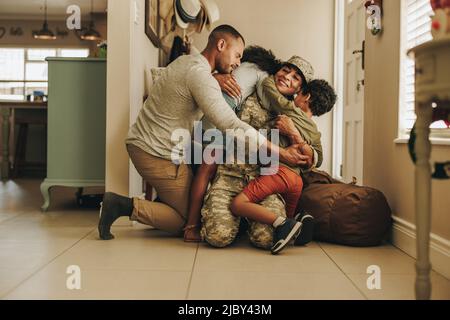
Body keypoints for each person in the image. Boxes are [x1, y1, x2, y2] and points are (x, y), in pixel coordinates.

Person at [98, 25, 308, 240]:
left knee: (200, 181)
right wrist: (281, 153)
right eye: (237, 56)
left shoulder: (188, 62)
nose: (237, 64)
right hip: (157, 154)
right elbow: (230, 124)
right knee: (187, 219)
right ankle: (122, 206)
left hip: (157, 145)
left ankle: (167, 199)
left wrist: (214, 80)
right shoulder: (201, 76)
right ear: (221, 45)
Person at [183, 48, 316, 243]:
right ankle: (238, 220)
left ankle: (249, 221)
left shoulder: (293, 116)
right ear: (277, 70)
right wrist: (217, 78)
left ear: (298, 90)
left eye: (295, 78)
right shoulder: (245, 91)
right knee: (217, 237)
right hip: (229, 177)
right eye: (286, 70)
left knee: (267, 239)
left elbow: (310, 157)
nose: (287, 77)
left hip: (262, 184)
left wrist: (294, 134)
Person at [231, 59, 337, 254]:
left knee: (238, 204)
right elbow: (319, 158)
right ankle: (297, 222)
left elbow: (267, 86)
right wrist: (304, 146)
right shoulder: (314, 131)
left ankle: (283, 223)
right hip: (296, 182)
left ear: (306, 96)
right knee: (289, 223)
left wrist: (271, 72)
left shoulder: (289, 110)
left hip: (279, 174)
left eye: (299, 89)